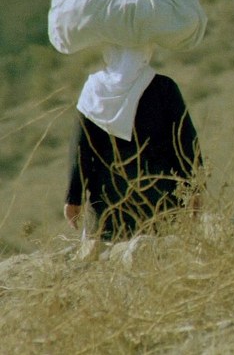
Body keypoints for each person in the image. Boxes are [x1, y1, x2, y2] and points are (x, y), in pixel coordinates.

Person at [62, 45, 204, 240]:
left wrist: (73, 197)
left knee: (109, 256)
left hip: (109, 204)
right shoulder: (163, 87)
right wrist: (194, 188)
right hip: (161, 200)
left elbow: (82, 151)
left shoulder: (94, 91)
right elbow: (185, 142)